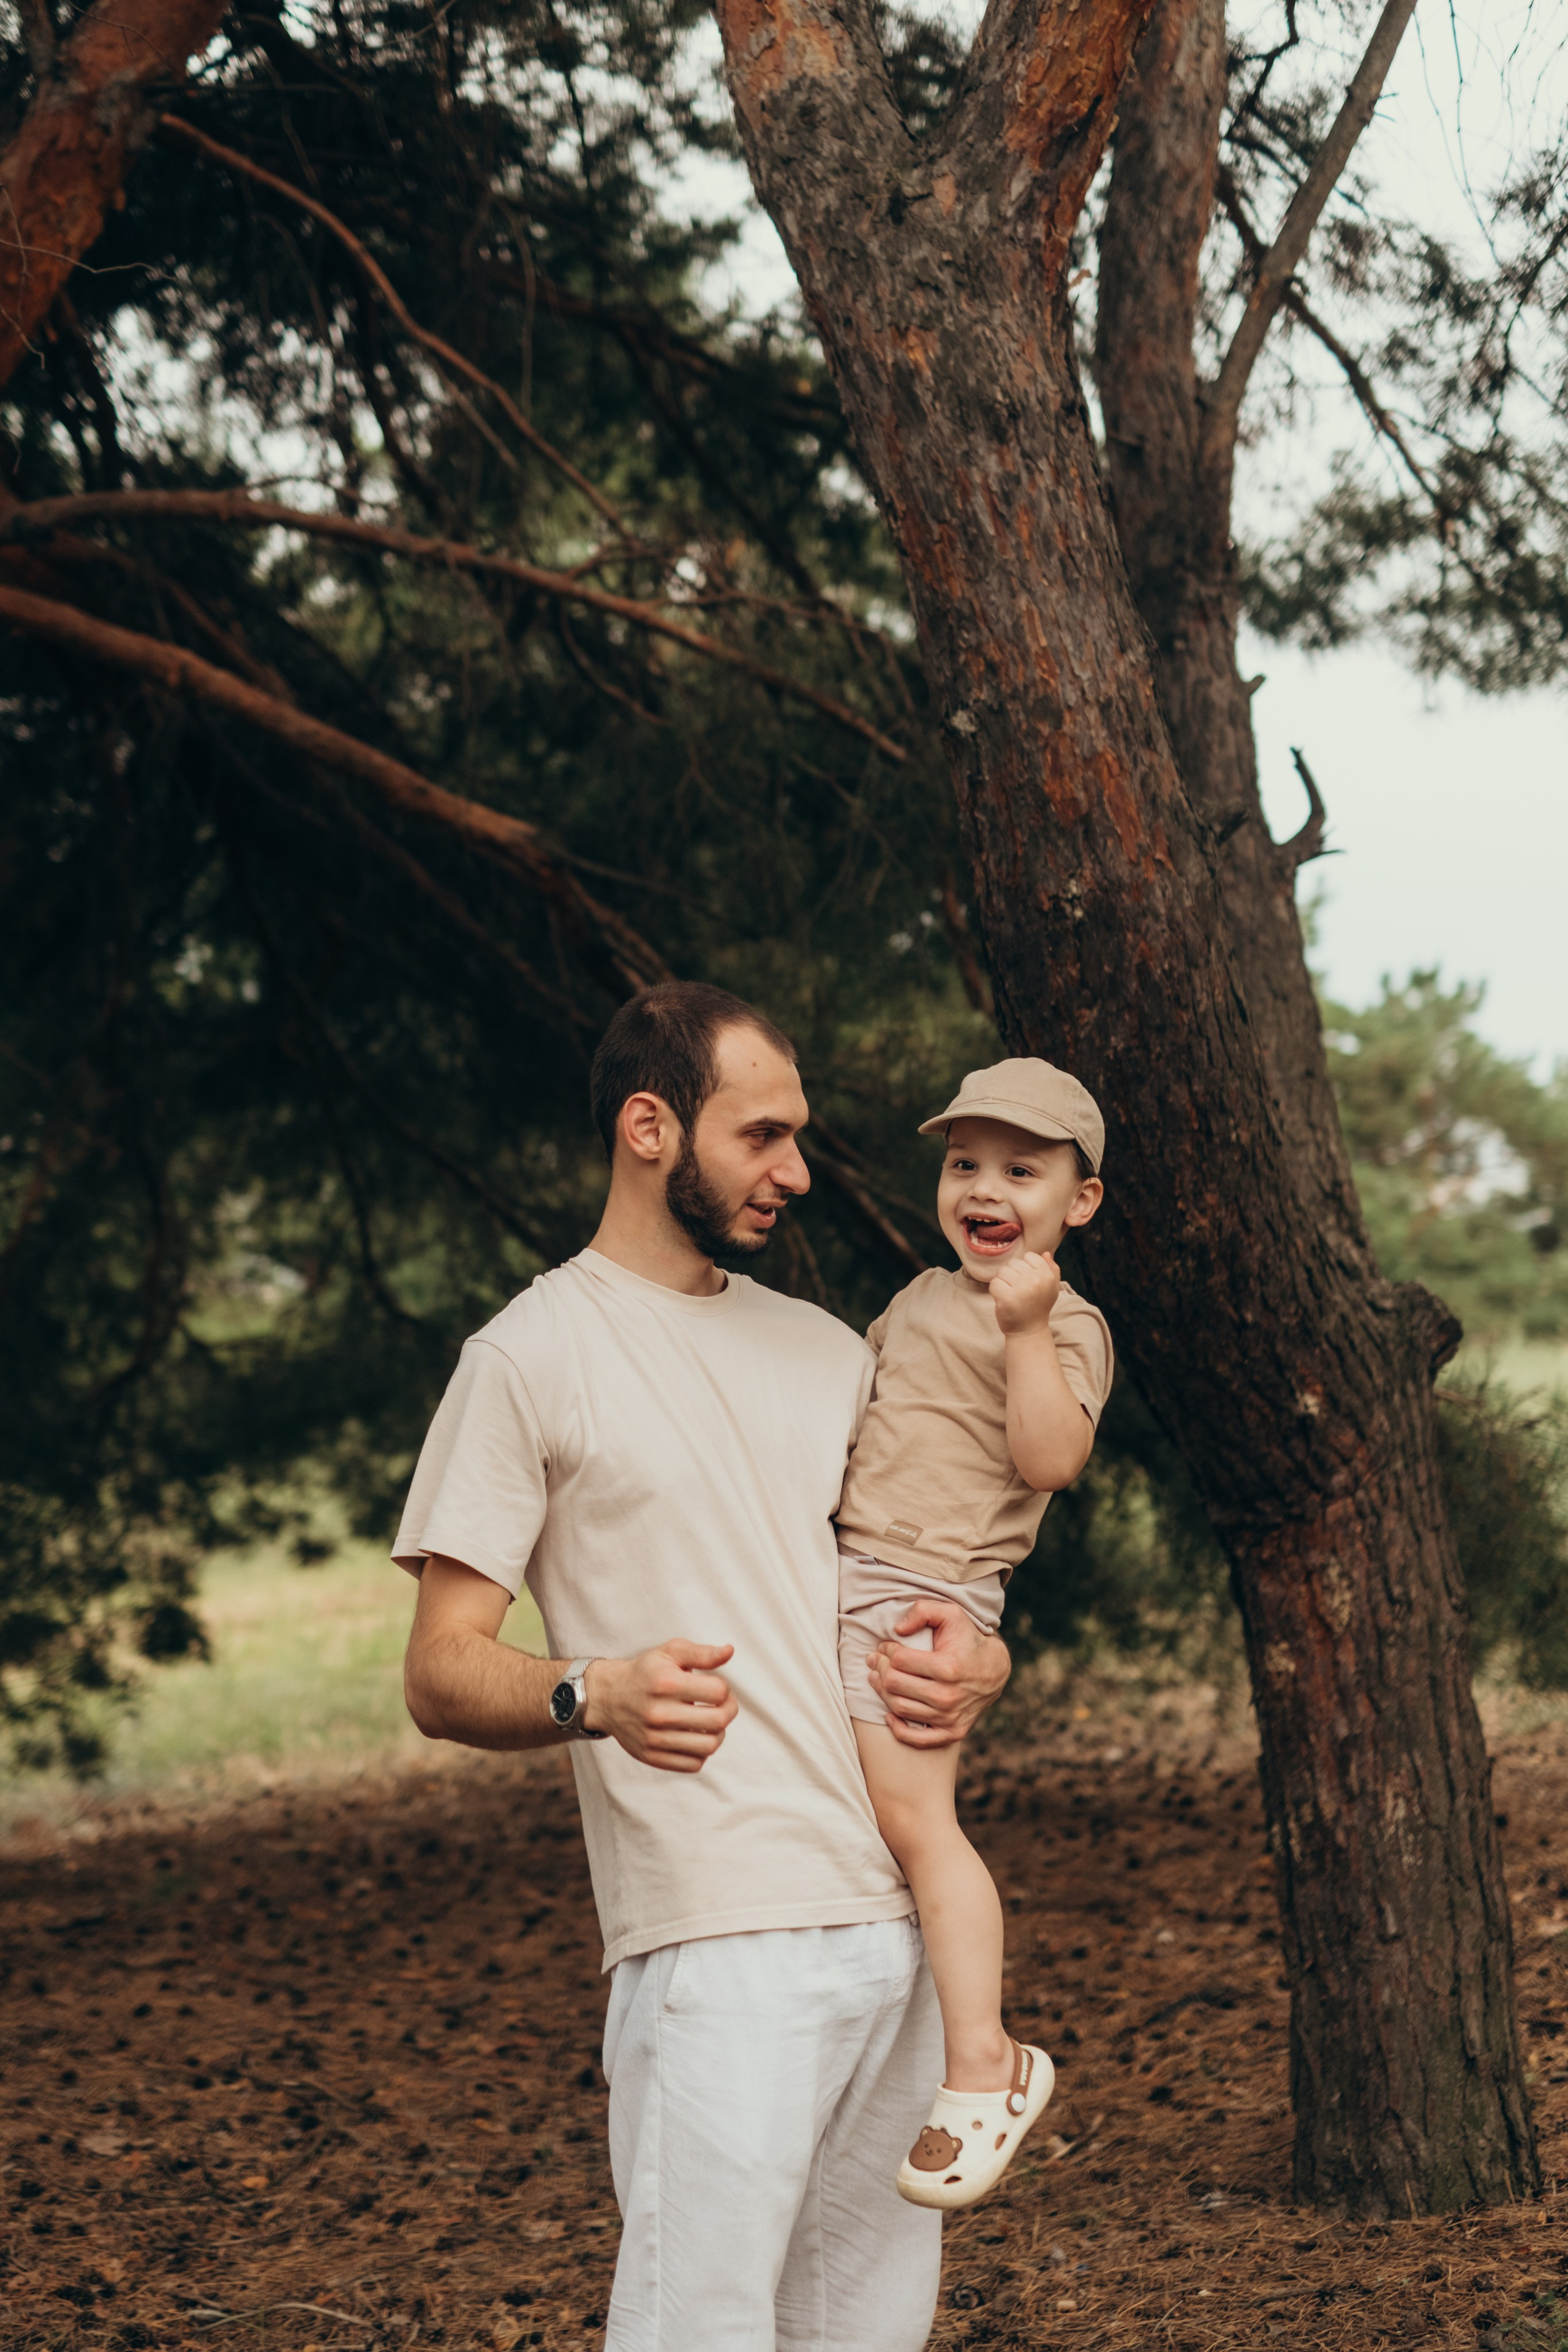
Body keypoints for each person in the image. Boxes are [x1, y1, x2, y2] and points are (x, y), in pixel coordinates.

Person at [394, 981, 1012, 2352]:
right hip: (714, 1946)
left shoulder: (825, 1350)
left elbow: (923, 1577)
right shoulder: (527, 1357)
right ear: (647, 1126)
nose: (796, 1170)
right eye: (761, 1135)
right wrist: (591, 1693)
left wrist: (985, 1660)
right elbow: (438, 1670)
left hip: (897, 1928)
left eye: (797, 1136)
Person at [834, 1059, 1113, 2210]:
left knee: (917, 1823)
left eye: (1021, 1169)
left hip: (927, 1592)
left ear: (1078, 1201)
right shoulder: (911, 1299)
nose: (985, 1188)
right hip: (845, 1567)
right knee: (854, 1820)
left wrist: (1027, 1331)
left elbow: (1050, 1460)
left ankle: (987, 2065)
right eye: (964, 1165)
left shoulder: (1069, 1324)